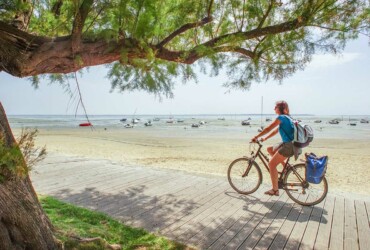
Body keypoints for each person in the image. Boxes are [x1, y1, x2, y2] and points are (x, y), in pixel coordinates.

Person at [252, 100, 294, 196]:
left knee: (271, 165)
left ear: (280, 108)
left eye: (275, 107)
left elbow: (268, 128)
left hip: (288, 146)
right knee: (270, 149)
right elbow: (275, 131)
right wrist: (264, 138)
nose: (274, 109)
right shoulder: (288, 117)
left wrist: (256, 137)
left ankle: (275, 190)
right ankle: (286, 167)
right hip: (290, 144)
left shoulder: (281, 117)